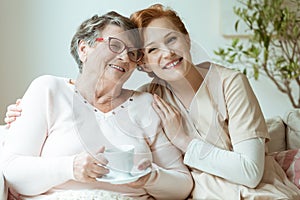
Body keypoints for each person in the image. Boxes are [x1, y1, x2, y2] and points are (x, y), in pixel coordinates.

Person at [1, 11, 193, 200]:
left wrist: (149, 178)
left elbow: (182, 186)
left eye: (133, 53)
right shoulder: (48, 90)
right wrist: (70, 168)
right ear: (84, 49)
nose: (125, 58)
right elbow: (12, 171)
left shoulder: (147, 104)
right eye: (115, 45)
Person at [129, 4, 300, 199]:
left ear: (186, 38)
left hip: (260, 194)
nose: (167, 53)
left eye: (172, 39)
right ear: (143, 63)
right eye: (153, 50)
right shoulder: (147, 100)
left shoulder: (231, 84)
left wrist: (183, 141)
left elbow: (250, 172)